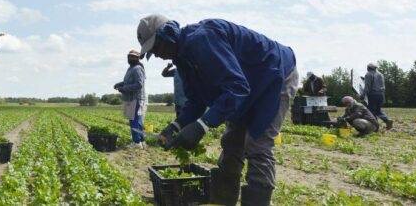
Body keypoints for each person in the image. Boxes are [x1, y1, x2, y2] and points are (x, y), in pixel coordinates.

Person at [137, 15, 298, 206]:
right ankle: (223, 201)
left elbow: (237, 88)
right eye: (152, 51)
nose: (156, 54)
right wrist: (176, 125)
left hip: (274, 76)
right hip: (246, 86)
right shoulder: (182, 59)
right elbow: (196, 100)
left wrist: (201, 126)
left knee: (257, 143)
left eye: (157, 47)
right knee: (231, 142)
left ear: (168, 34)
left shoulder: (202, 39)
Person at [114, 50, 147, 149]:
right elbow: (127, 82)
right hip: (130, 98)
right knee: (136, 120)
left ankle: (136, 142)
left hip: (135, 98)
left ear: (138, 58)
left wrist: (124, 89)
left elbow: (139, 84)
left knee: (134, 120)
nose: (131, 58)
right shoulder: (130, 68)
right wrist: (119, 84)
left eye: (134, 57)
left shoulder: (137, 68)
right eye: (130, 56)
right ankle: (141, 141)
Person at [361, 63, 393, 130]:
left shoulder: (368, 74)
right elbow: (377, 83)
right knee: (378, 110)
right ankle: (387, 120)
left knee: (371, 111)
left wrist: (362, 95)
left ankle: (375, 127)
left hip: (373, 95)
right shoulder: (380, 74)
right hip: (381, 95)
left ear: (368, 68)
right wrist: (364, 79)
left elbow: (367, 87)